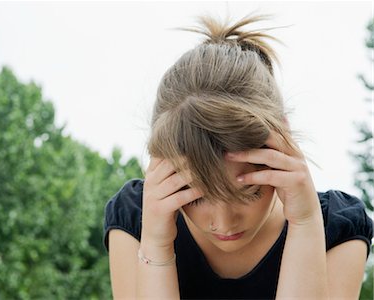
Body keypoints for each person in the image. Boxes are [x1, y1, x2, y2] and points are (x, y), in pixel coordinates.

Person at [102, 12, 373, 299]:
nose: (224, 223)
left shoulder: (338, 227)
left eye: (249, 193)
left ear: (283, 142)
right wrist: (156, 245)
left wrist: (305, 223)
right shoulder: (137, 218)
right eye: (195, 196)